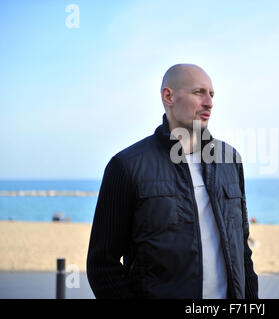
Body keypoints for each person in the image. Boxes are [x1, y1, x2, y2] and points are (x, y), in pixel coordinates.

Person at [87, 64, 258, 299]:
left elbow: (242, 250)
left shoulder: (230, 160)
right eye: (199, 92)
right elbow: (102, 265)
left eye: (211, 94)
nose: (209, 102)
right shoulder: (126, 166)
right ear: (168, 96)